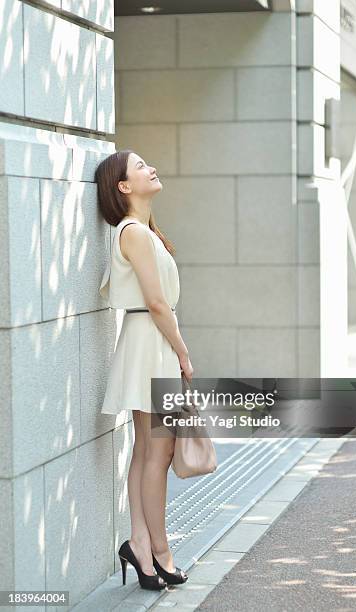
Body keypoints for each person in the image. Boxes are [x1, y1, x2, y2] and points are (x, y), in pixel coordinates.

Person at [95, 149, 194, 590]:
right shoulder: (133, 232)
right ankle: (160, 550)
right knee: (160, 451)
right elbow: (157, 302)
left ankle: (140, 543)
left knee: (146, 451)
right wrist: (184, 353)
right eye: (139, 166)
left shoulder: (141, 231)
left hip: (147, 341)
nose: (151, 167)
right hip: (152, 342)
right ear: (123, 186)